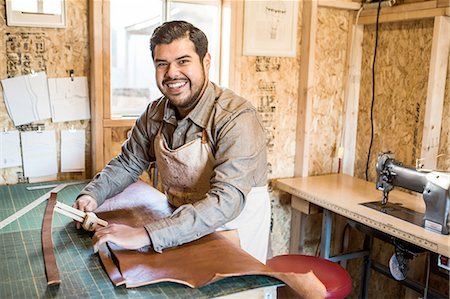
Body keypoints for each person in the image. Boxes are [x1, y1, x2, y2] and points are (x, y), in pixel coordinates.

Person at [74, 20, 271, 263]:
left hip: (234, 235)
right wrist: (92, 195)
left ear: (206, 62)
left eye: (183, 61)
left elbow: (226, 201)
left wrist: (146, 234)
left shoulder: (236, 118)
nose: (172, 73)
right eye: (162, 64)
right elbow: (128, 163)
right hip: (181, 228)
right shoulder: (154, 114)